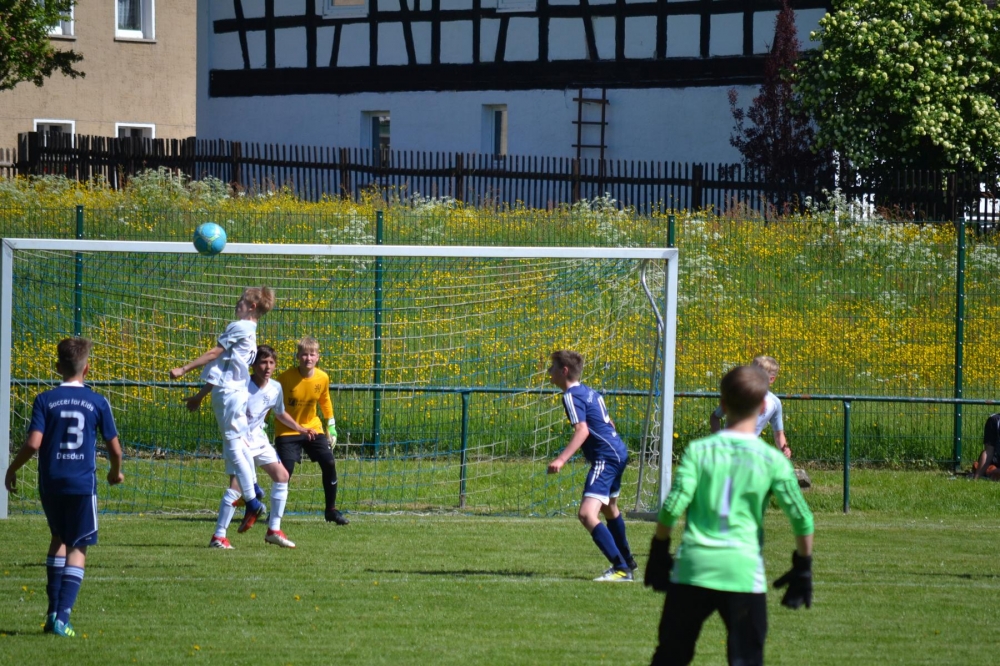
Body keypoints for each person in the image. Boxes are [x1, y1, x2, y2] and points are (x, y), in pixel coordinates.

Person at [645, 365, 814, 666]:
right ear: (763, 407)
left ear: (723, 405)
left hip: (693, 567)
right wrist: (803, 566)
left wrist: (659, 550)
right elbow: (802, 518)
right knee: (746, 659)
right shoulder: (773, 460)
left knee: (670, 656)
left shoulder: (699, 451)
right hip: (743, 570)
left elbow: (672, 506)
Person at [4, 338, 124, 638]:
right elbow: (115, 449)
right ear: (88, 368)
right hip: (81, 484)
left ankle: (51, 613)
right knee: (78, 546)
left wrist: (12, 468)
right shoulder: (97, 401)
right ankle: (63, 618)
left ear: (57, 367)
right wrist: (115, 472)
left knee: (58, 538)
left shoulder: (45, 399)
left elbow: (34, 443)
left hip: (51, 483)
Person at [185, 345, 318, 549]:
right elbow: (217, 381)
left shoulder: (275, 388)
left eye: (271, 363)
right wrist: (199, 397)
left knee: (282, 476)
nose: (267, 367)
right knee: (236, 487)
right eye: (263, 362)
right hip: (238, 440)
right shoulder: (241, 384)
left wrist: (300, 428)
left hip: (258, 440)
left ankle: (274, 530)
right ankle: (218, 536)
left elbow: (280, 413)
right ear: (253, 365)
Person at [170, 286, 275, 533]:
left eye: (241, 301)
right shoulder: (250, 331)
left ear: (252, 307)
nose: (237, 304)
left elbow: (213, 354)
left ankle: (252, 501)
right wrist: (199, 396)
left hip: (229, 395)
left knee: (234, 447)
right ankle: (254, 489)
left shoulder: (239, 327)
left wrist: (183, 369)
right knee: (240, 444)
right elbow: (222, 368)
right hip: (234, 393)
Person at [545, 350, 637, 582]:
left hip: (606, 457)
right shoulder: (589, 392)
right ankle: (627, 561)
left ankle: (621, 569)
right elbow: (609, 422)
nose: (549, 371)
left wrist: (561, 459)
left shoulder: (570, 396)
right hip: (618, 451)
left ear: (564, 371)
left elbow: (582, 430)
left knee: (586, 514)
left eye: (552, 367)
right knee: (609, 508)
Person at [274, 336, 348, 525]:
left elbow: (325, 400)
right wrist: (262, 423)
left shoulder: (322, 377)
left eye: (312, 354)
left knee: (329, 462)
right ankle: (274, 515)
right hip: (288, 430)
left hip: (313, 428)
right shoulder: (285, 378)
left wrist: (331, 425)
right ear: (297, 356)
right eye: (304, 354)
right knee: (285, 471)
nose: (308, 358)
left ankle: (331, 510)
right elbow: (272, 401)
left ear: (318, 357)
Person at [710, 355, 791, 458]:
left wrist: (784, 449)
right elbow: (715, 417)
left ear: (771, 379)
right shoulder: (738, 393)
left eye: (759, 374)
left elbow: (779, 434)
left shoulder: (775, 403)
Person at [971, 413, 1000, 481]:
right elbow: (988, 452)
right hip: (996, 462)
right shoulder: (994, 420)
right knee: (994, 471)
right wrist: (976, 478)